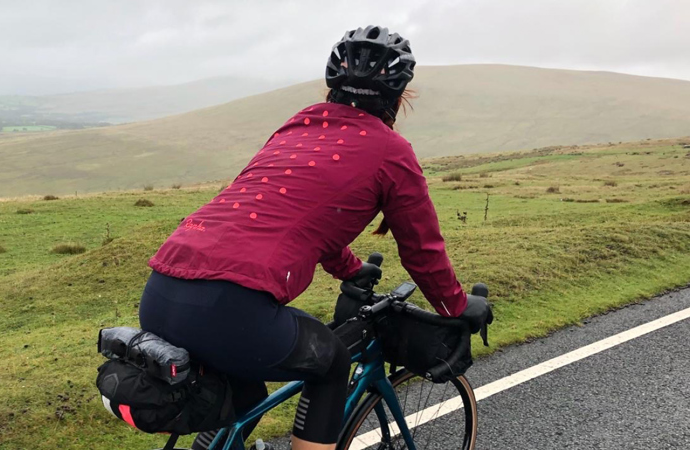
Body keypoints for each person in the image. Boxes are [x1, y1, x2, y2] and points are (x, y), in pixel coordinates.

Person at [139, 26, 490, 450]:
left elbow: (291, 216)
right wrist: (455, 305)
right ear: (399, 98)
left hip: (160, 294)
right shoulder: (390, 150)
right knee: (331, 363)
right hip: (230, 306)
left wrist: (353, 268)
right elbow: (421, 251)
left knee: (245, 390)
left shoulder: (298, 124)